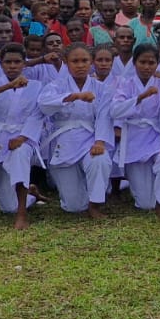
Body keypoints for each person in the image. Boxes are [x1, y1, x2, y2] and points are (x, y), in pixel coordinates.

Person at [39, 44, 115, 218]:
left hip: (90, 137)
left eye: (84, 61)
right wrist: (74, 96)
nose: (80, 65)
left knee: (100, 160)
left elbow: (104, 116)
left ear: (91, 63)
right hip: (64, 139)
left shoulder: (101, 88)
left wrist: (100, 141)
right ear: (66, 62)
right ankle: (84, 196)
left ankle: (95, 204)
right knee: (73, 206)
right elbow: (44, 105)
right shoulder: (56, 85)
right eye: (75, 61)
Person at [0, 45, 43, 229]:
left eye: (17, 62)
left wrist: (23, 137)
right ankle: (29, 195)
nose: (12, 66)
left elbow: (38, 115)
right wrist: (8, 86)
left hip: (23, 137)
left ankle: (22, 214)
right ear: (1, 63)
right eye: (8, 62)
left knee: (20, 155)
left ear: (24, 63)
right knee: (7, 206)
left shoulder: (36, 86)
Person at [110, 43, 160, 216]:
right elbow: (115, 110)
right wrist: (140, 97)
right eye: (142, 62)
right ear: (135, 63)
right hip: (134, 137)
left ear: (157, 64)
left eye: (151, 63)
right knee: (145, 203)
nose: (147, 67)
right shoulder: (125, 85)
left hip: (156, 134)